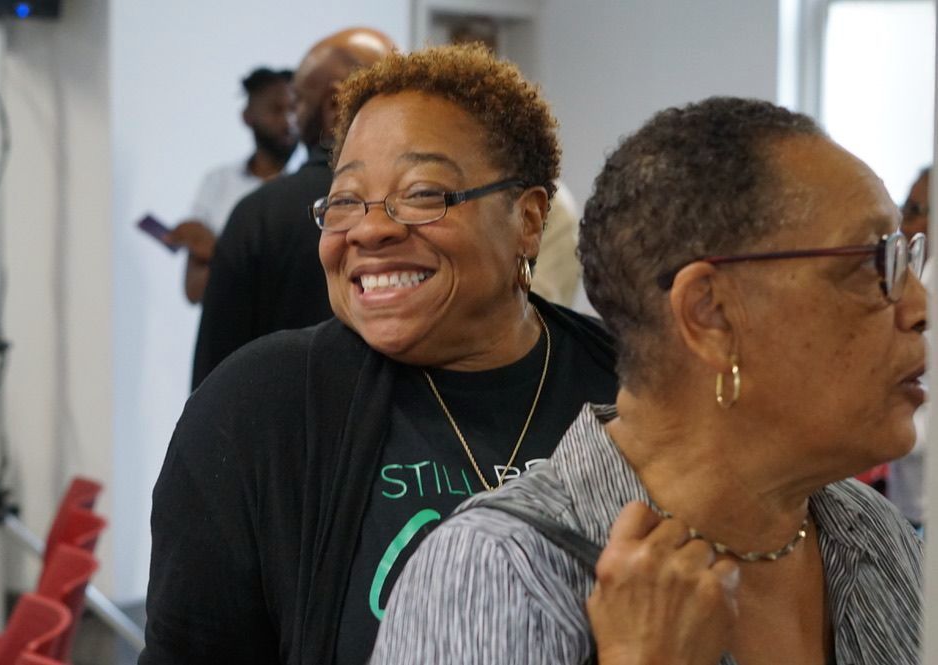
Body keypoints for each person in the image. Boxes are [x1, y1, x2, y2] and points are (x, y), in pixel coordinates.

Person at [371, 96, 926, 664]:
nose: (919, 305)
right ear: (709, 314)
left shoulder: (868, 533)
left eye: (909, 259)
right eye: (871, 263)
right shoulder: (498, 573)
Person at [140, 44, 618, 664]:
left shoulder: (629, 387)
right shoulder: (256, 410)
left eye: (422, 193)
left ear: (528, 219)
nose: (369, 229)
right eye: (344, 201)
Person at [189, 28, 397, 389]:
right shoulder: (433, 207)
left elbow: (213, 375)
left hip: (274, 433)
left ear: (334, 103)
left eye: (297, 103)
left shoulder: (258, 215)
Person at [169, 67, 300, 304]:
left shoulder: (311, 188)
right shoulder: (218, 183)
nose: (288, 121)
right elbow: (195, 289)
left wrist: (214, 250)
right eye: (276, 109)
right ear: (248, 116)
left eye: (294, 109)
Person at [888, 165, 930, 528]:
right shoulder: (911, 273)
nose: (907, 223)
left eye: (918, 210)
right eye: (906, 209)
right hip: (906, 508)